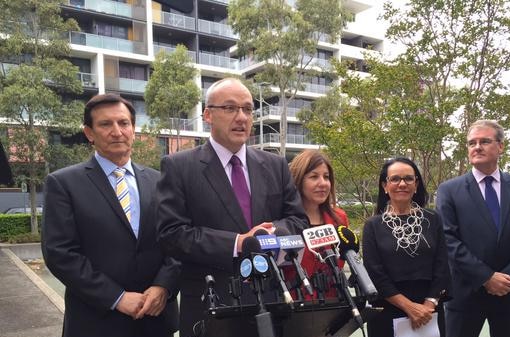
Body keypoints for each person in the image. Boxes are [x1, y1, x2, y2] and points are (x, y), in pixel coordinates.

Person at [155, 78, 308, 337]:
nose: (241, 117)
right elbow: (172, 235)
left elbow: (298, 221)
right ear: (208, 115)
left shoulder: (275, 165)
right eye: (230, 108)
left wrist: (270, 236)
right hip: (210, 304)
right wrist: (238, 243)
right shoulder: (179, 167)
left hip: (271, 300)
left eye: (247, 109)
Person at [42, 94, 180, 337]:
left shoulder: (159, 180)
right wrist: (116, 297)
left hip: (155, 319)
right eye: (106, 124)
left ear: (133, 129)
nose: (117, 131)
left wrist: (164, 286)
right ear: (89, 133)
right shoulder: (63, 183)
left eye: (123, 123)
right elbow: (60, 253)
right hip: (96, 321)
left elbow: (177, 240)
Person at [436, 120, 510, 337]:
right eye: (472, 143)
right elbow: (448, 239)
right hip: (465, 294)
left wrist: (507, 278)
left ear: (500, 146)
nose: (477, 147)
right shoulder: (449, 190)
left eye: (484, 141)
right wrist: (486, 277)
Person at [362, 157, 450, 337]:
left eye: (408, 178)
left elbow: (442, 266)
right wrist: (409, 307)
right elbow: (374, 273)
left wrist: (428, 305)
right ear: (385, 186)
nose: (402, 184)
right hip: (386, 311)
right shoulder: (372, 225)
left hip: (429, 313)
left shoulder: (433, 219)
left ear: (416, 184)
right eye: (395, 179)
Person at [286, 149, 348, 300]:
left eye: (326, 177)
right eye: (314, 177)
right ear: (298, 180)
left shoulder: (339, 218)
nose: (323, 183)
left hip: (334, 303)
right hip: (296, 306)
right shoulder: (284, 222)